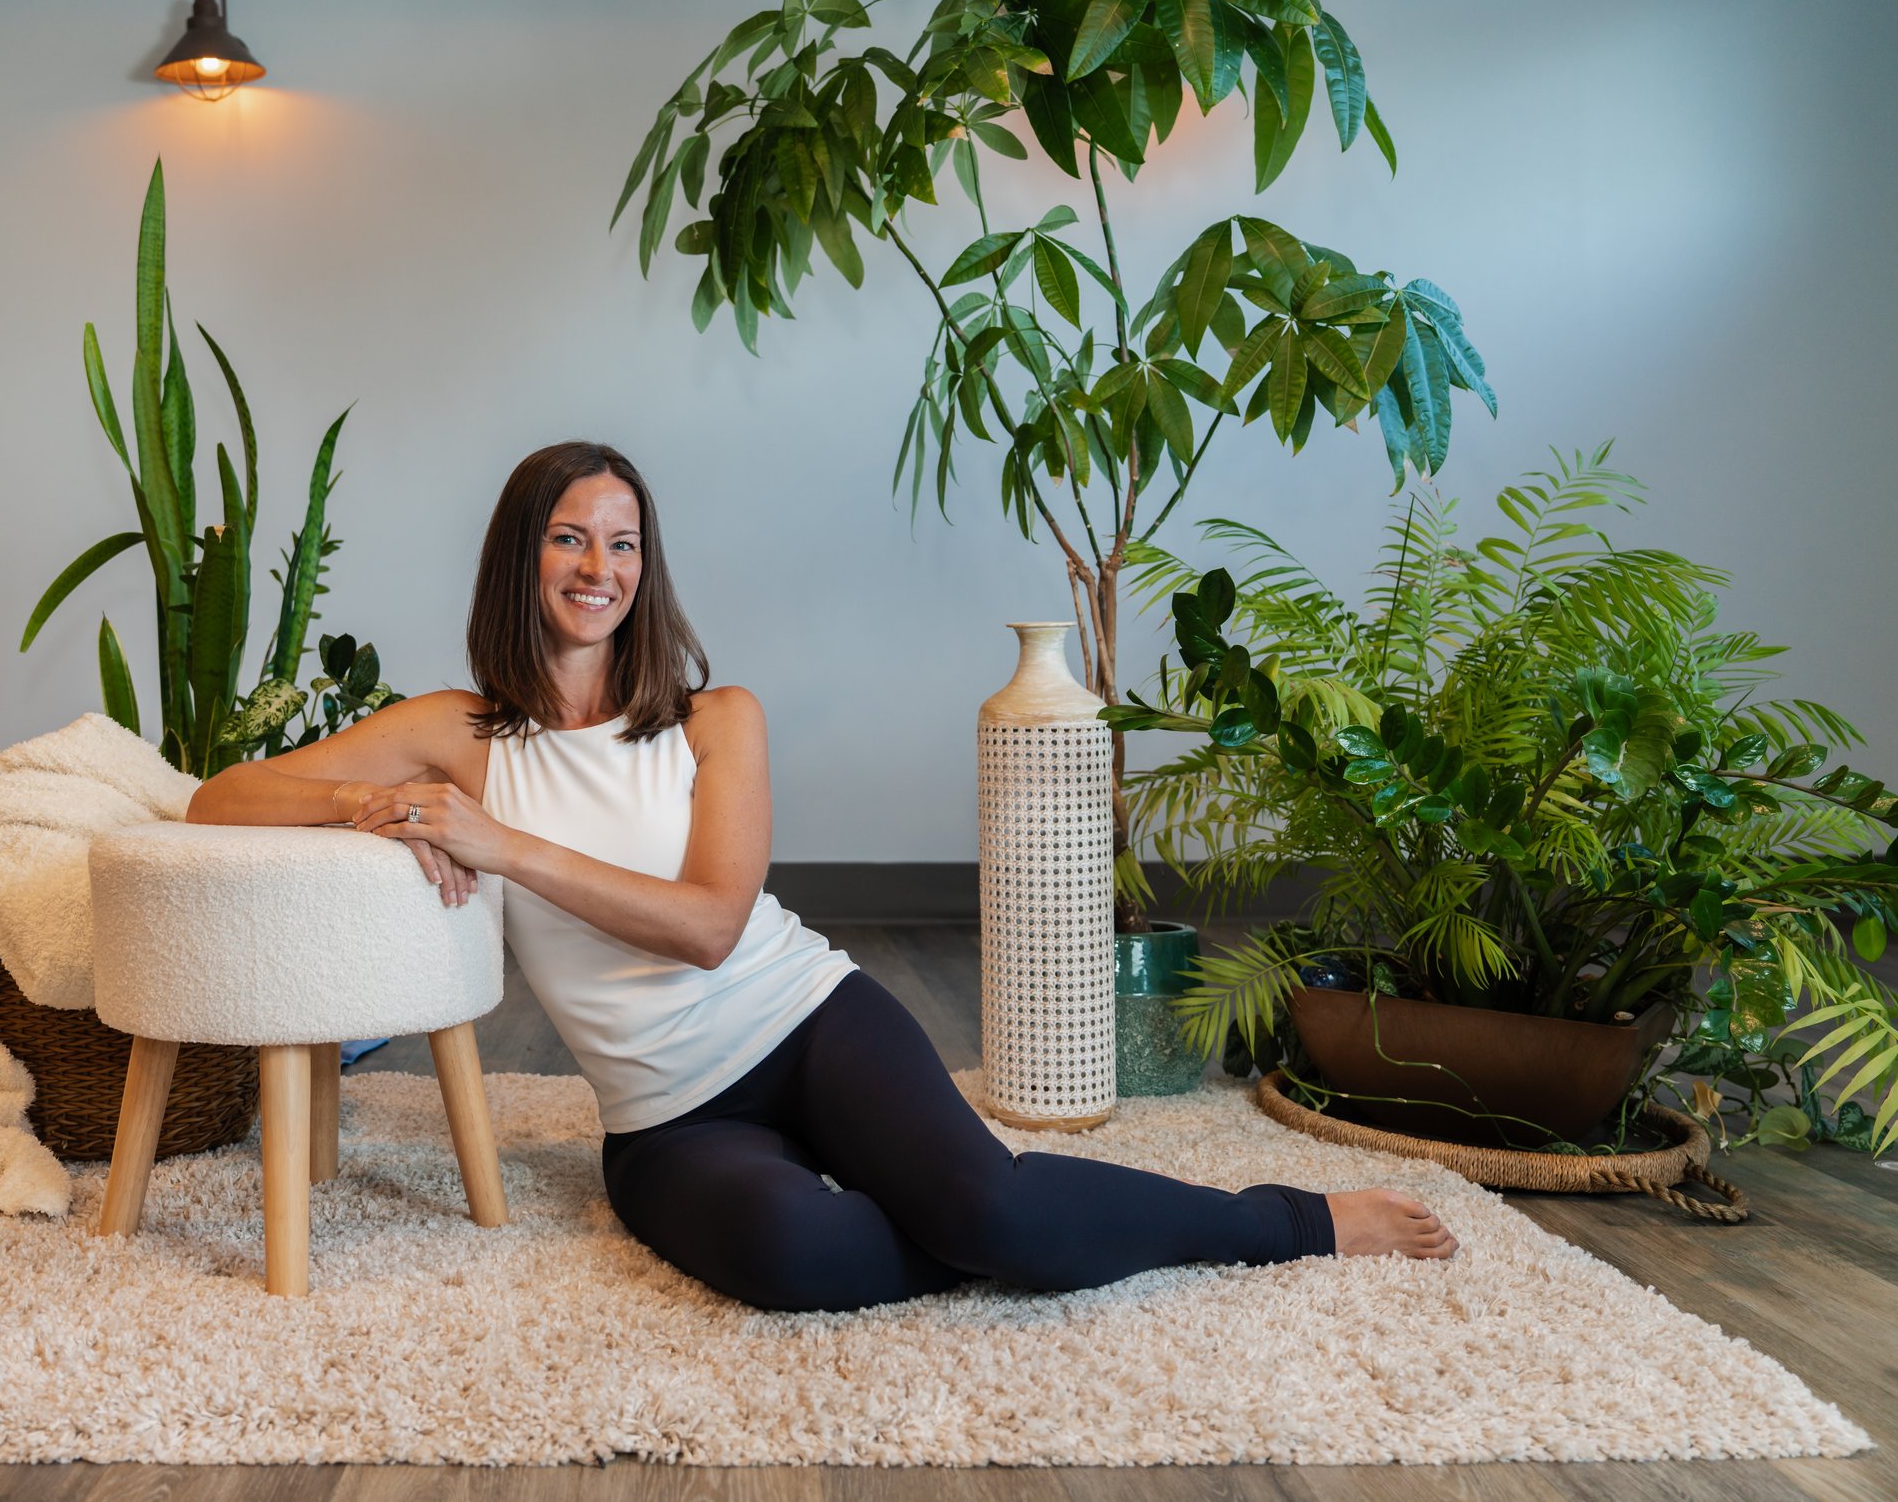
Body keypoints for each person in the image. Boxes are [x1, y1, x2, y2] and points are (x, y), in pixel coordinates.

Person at [186, 440, 1457, 1312]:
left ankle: (1287, 1221)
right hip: (666, 1118)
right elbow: (220, 797)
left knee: (999, 1216)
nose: (597, 570)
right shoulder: (455, 732)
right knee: (798, 1259)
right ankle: (973, 1222)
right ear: (520, 557)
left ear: (646, 567)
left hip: (807, 1024)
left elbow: (708, 926)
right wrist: (374, 803)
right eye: (568, 539)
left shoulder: (714, 719)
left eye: (622, 544)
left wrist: (495, 841)